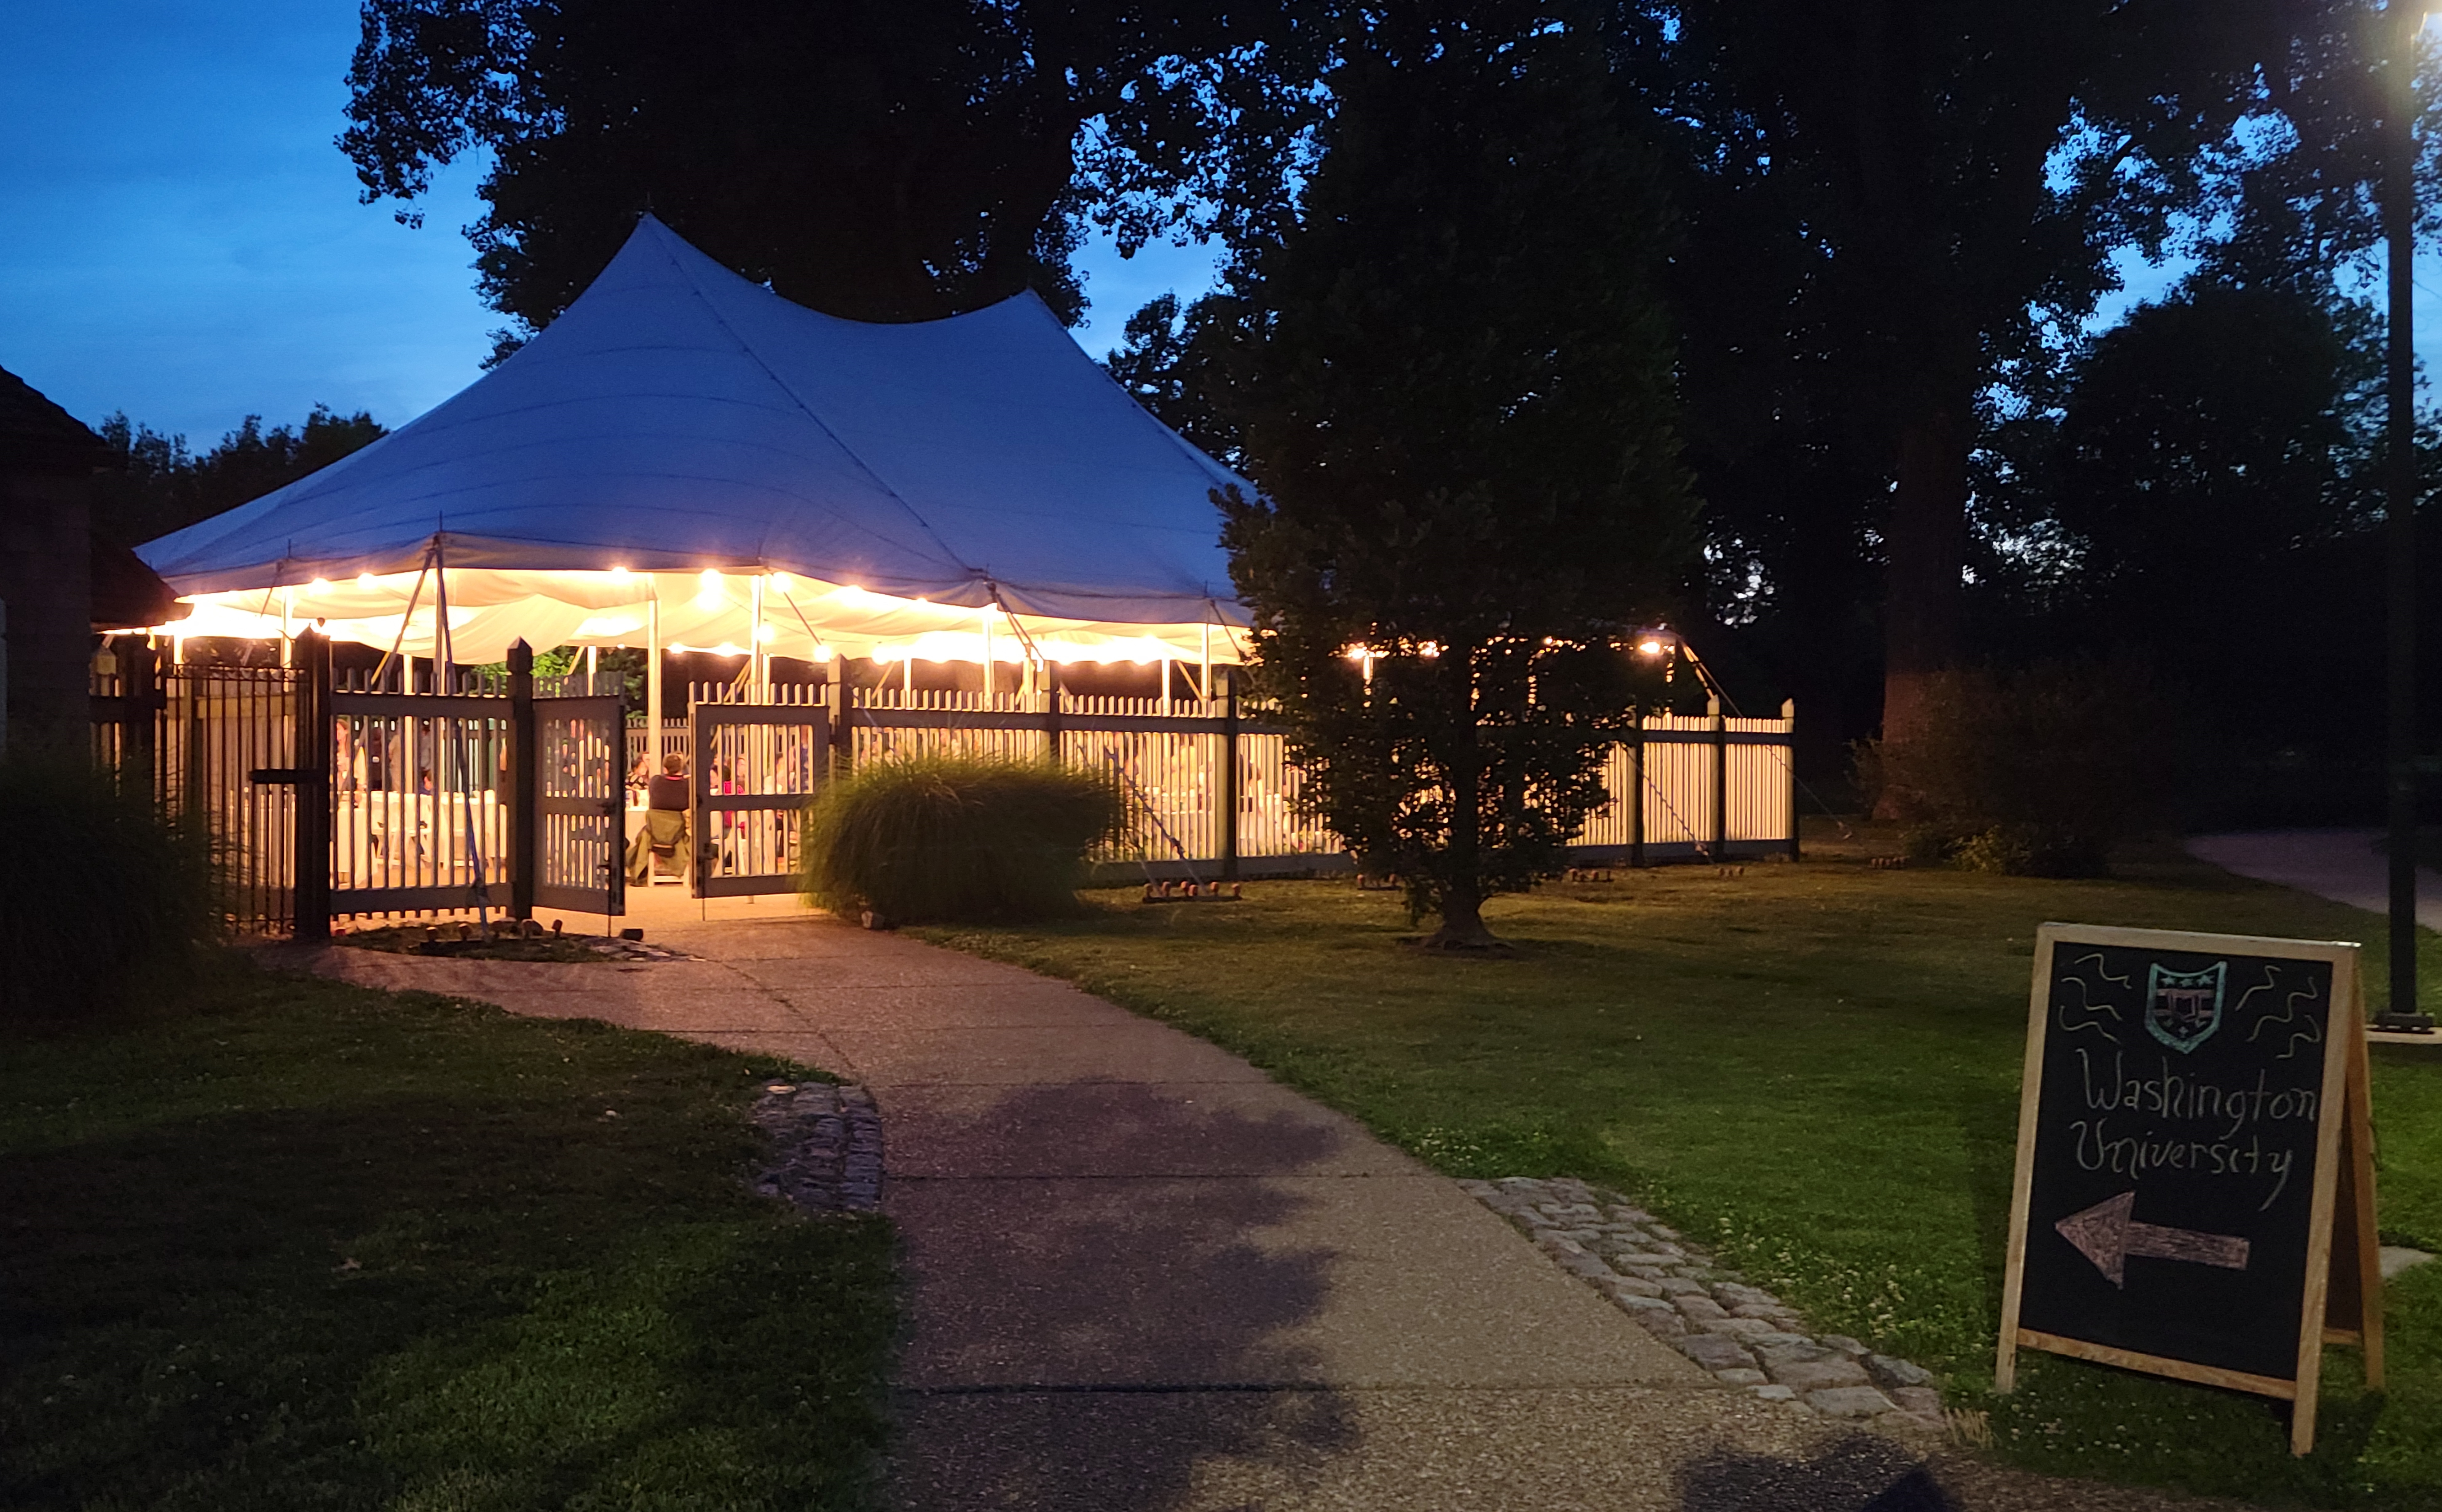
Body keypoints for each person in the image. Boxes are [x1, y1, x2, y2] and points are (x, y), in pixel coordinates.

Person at [625, 752, 692, 883]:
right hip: (679, 833)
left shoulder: (655, 782)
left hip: (655, 832)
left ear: (665, 769)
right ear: (682, 769)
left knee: (643, 834)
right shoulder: (688, 785)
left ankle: (640, 870)